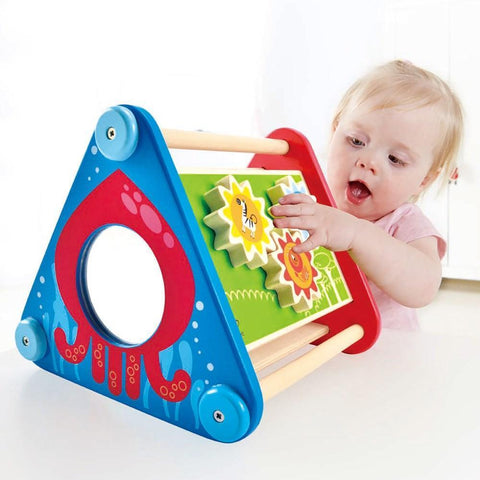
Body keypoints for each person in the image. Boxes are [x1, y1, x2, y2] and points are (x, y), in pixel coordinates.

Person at [270, 60, 463, 329]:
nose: (368, 161)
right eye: (357, 141)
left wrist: (356, 234)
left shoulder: (404, 222)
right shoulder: (307, 197)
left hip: (381, 355)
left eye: (395, 159)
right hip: (314, 342)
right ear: (335, 130)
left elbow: (425, 286)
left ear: (425, 179)